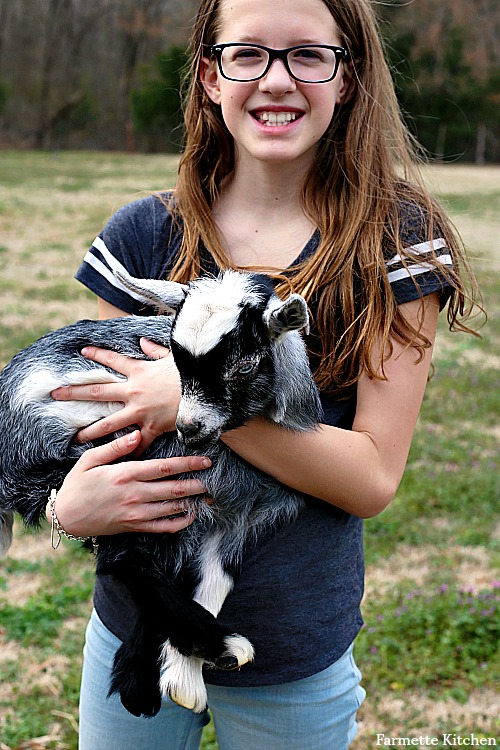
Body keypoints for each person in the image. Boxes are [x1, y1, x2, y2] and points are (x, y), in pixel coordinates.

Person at [47, 0, 480, 747]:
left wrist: (195, 395)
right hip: (135, 632)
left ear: (347, 78)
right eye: (248, 54)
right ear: (212, 75)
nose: (276, 80)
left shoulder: (399, 244)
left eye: (308, 55)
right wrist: (67, 509)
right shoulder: (142, 236)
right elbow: (96, 435)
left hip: (294, 653)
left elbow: (373, 476)